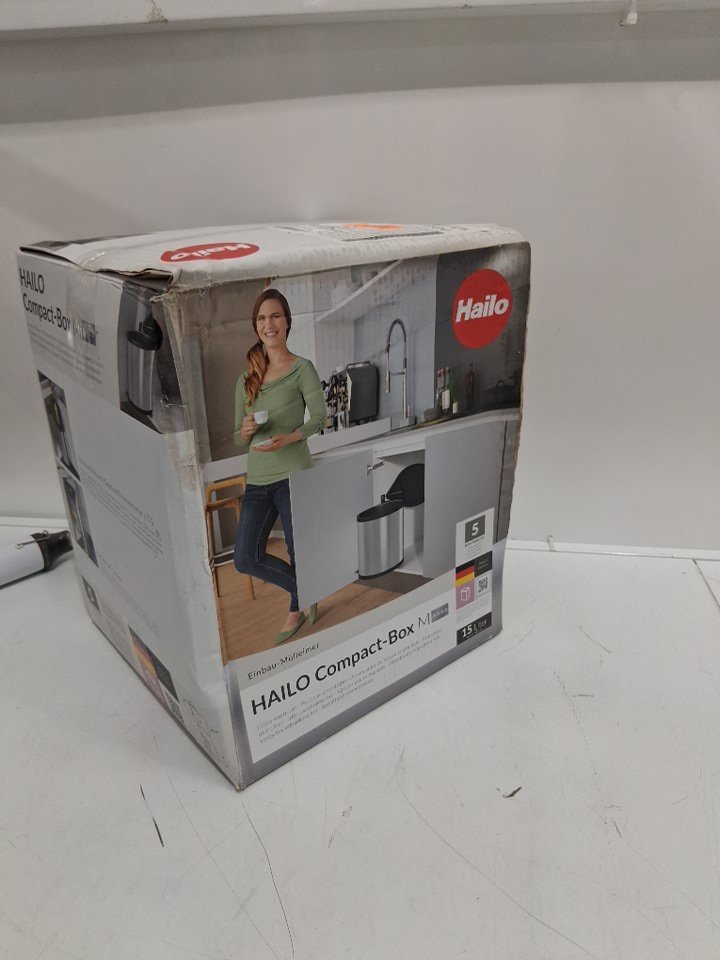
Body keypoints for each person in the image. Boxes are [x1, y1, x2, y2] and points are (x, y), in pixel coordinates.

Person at [233, 288, 326, 645]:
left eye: (274, 316)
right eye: (261, 318)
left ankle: (294, 610)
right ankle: (307, 590)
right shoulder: (246, 378)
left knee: (296, 549)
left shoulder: (302, 369)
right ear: (255, 326)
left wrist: (289, 438)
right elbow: (238, 438)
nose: (268, 324)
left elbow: (318, 418)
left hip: (292, 474)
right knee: (245, 558)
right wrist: (245, 431)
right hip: (258, 480)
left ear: (287, 321)